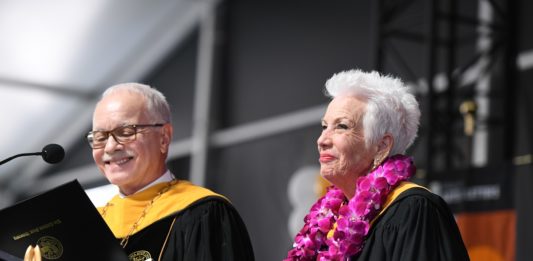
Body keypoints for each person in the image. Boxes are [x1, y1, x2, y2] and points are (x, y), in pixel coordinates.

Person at [285, 69, 469, 260]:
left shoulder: (413, 211)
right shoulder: (328, 222)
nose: (322, 140)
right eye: (324, 126)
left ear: (381, 146)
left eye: (342, 126)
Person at [86, 83, 254, 260]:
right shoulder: (87, 225)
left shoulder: (202, 213)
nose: (110, 147)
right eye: (100, 137)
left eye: (126, 132)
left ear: (164, 138)